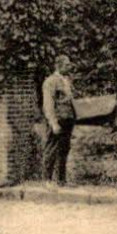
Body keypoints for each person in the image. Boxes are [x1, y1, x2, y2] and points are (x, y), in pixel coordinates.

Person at [41, 54, 76, 185]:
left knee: (64, 149)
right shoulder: (50, 81)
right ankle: (47, 180)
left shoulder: (67, 80)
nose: (69, 67)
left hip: (68, 119)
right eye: (67, 65)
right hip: (57, 120)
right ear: (58, 66)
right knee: (51, 149)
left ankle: (61, 180)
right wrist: (53, 123)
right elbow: (48, 104)